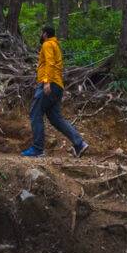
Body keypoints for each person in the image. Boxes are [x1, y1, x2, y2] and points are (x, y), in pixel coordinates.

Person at [21, 25, 89, 158]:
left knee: (35, 112)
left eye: (41, 33)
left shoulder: (47, 45)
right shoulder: (55, 45)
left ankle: (37, 149)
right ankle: (79, 144)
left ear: (45, 34)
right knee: (56, 118)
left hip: (50, 84)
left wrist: (46, 82)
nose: (41, 36)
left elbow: (50, 63)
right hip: (57, 85)